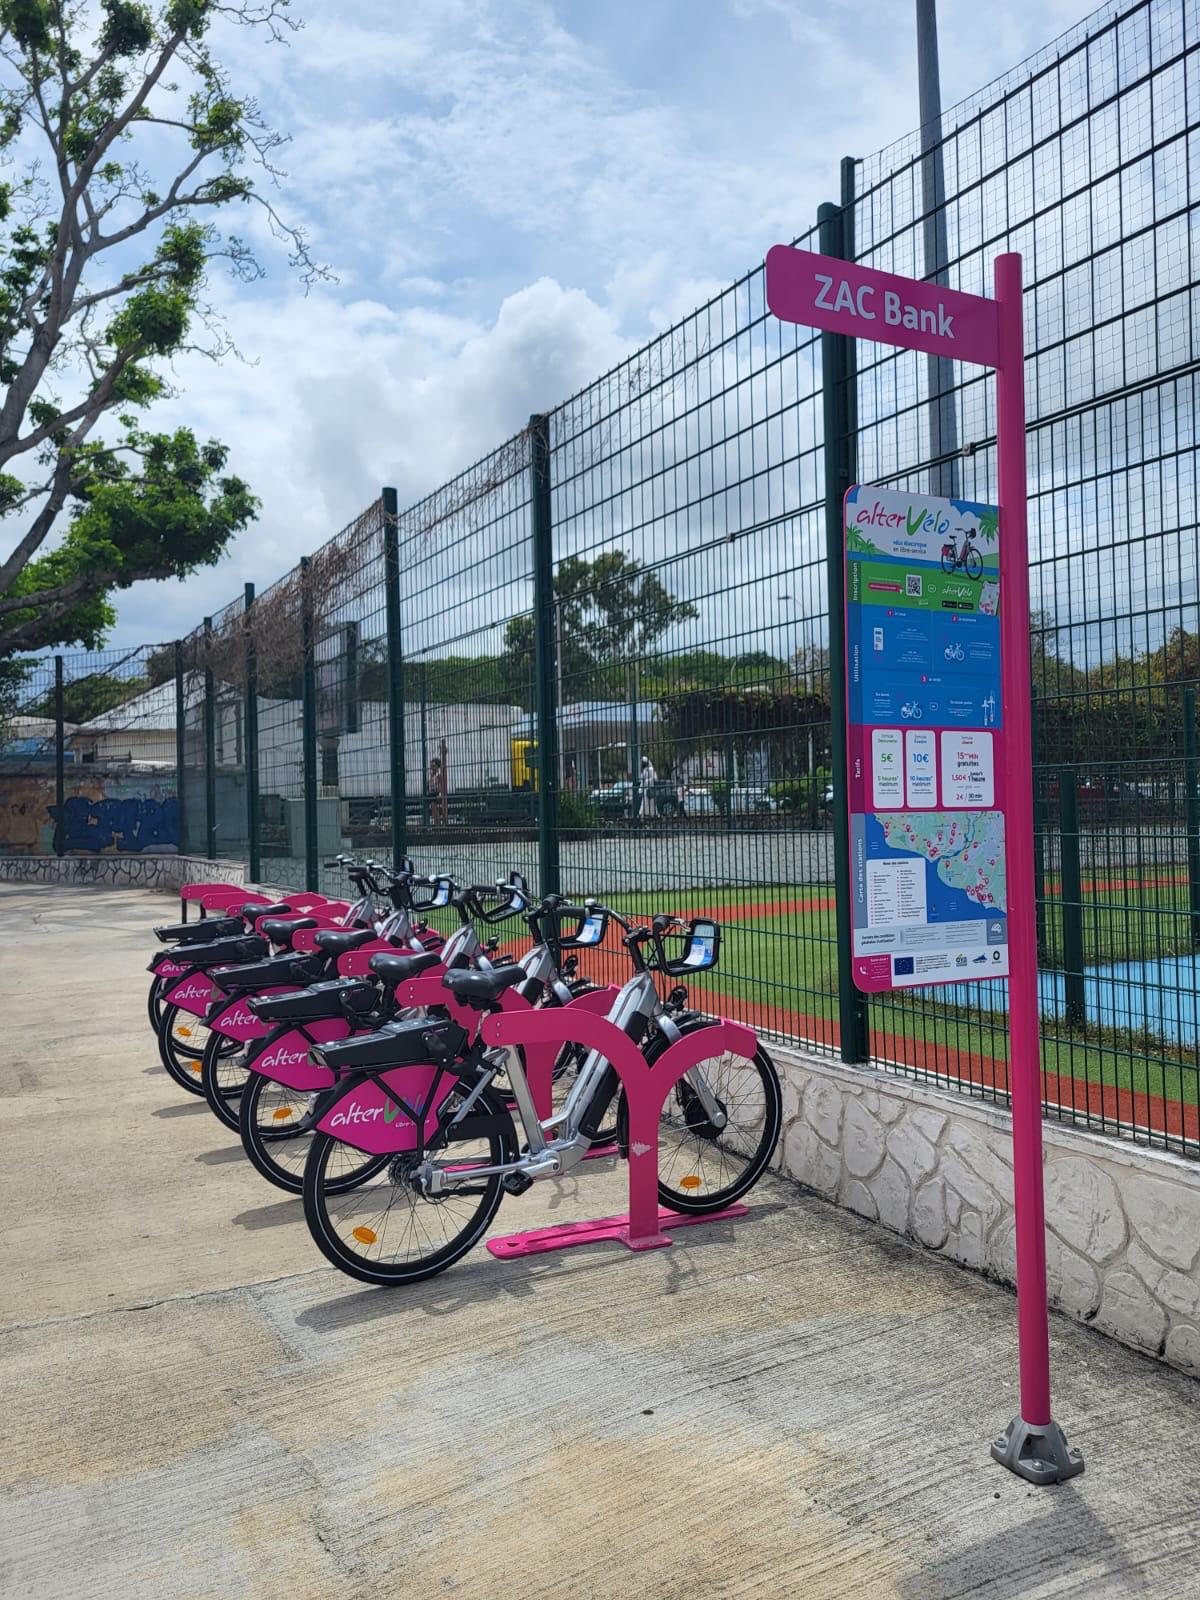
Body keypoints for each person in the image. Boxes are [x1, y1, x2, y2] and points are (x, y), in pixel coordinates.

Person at [428, 753, 448, 825]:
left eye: (433, 766)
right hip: (432, 792)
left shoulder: (438, 775)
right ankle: (436, 823)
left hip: (436, 792)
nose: (431, 767)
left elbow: (441, 784)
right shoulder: (431, 775)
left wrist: (440, 793)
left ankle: (438, 823)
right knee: (433, 809)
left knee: (435, 807)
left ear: (437, 766)